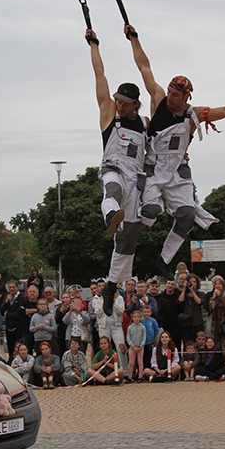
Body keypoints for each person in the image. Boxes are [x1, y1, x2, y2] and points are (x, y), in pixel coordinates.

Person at [125, 23, 225, 280]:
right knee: (151, 212)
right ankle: (127, 229)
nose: (171, 97)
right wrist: (134, 38)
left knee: (186, 216)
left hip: (177, 170)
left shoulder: (193, 114)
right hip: (153, 166)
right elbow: (144, 67)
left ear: (186, 97)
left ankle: (163, 259)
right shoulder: (159, 99)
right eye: (171, 92)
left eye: (176, 95)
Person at [87, 33, 148, 317]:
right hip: (112, 170)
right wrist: (94, 45)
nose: (120, 105)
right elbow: (99, 73)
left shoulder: (146, 125)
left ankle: (112, 286)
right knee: (112, 191)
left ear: (136, 103)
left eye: (126, 102)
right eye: (118, 101)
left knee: (128, 240)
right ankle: (111, 214)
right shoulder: (109, 115)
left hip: (136, 181)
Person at [0, 280, 27, 362]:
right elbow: (1, 311)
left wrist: (7, 314)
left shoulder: (22, 298)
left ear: (17, 288)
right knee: (10, 347)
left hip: (18, 327)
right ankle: (11, 361)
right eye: (10, 287)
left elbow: (19, 313)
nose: (11, 289)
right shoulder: (8, 298)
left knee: (18, 347)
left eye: (13, 287)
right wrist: (7, 301)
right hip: (9, 327)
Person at [178, 273, 205, 350]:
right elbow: (180, 301)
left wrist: (192, 291)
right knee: (187, 343)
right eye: (191, 281)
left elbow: (199, 302)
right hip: (186, 322)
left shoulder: (200, 293)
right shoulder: (184, 294)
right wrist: (184, 289)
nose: (192, 283)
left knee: (198, 343)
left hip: (197, 321)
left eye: (194, 282)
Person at [206, 275, 225, 342]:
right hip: (215, 321)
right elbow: (211, 308)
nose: (218, 286)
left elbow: (224, 305)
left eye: (219, 284)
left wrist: (219, 296)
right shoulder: (212, 297)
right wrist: (214, 297)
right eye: (216, 284)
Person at [125, 310, 147, 382]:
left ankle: (140, 376)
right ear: (132, 318)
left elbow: (144, 337)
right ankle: (130, 377)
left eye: (138, 317)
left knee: (140, 362)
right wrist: (132, 345)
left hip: (140, 347)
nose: (136, 318)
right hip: (132, 347)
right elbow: (128, 337)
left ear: (140, 318)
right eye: (135, 317)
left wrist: (141, 346)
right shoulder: (130, 328)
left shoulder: (142, 327)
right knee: (131, 362)